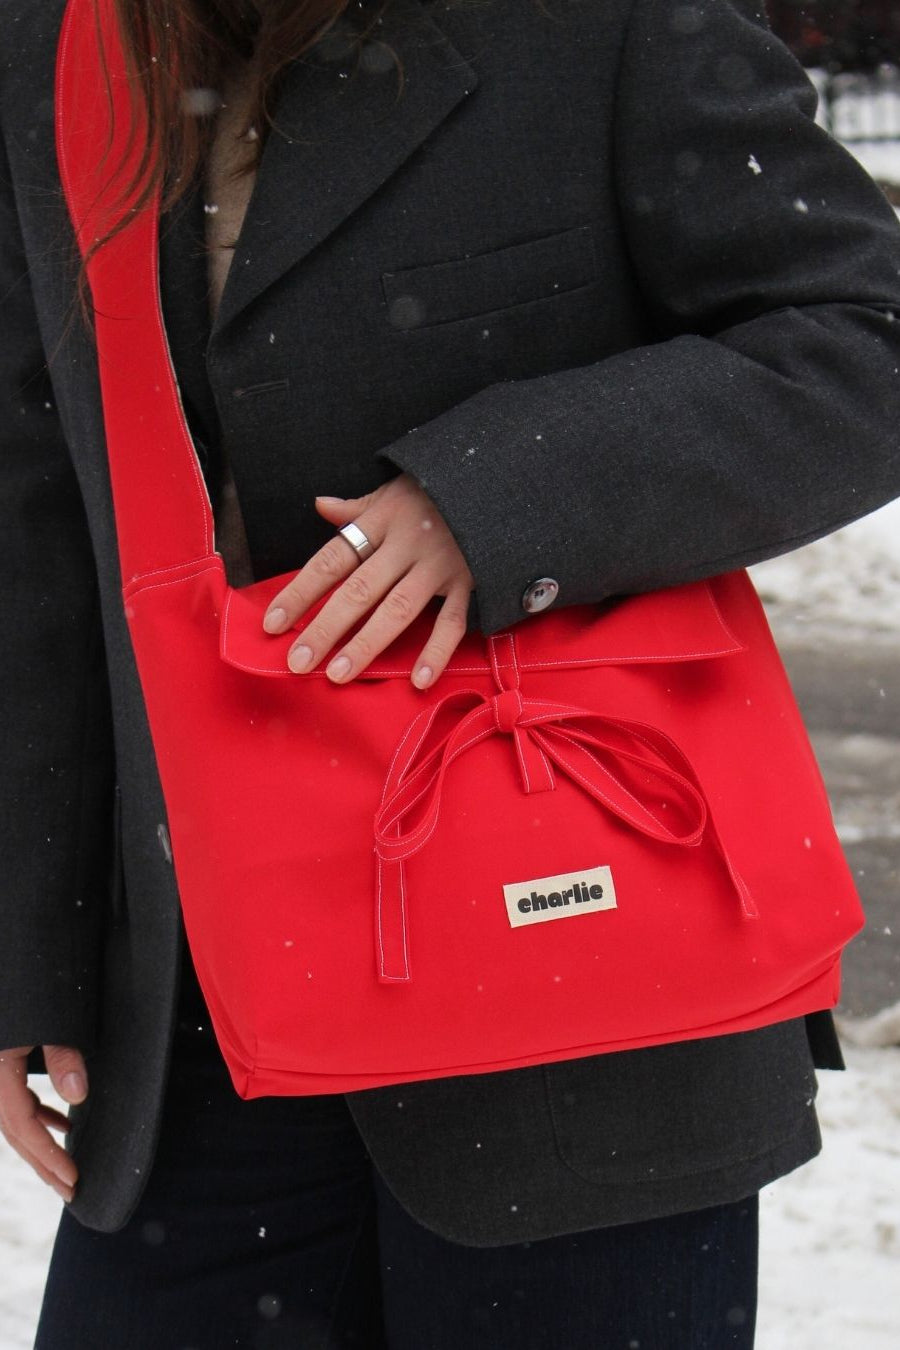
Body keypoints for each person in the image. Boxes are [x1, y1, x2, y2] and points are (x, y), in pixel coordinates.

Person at [2, 0, 900, 1345]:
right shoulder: (57, 39)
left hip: (580, 1034)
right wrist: (29, 946)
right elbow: (38, 509)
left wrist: (493, 499)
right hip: (200, 1033)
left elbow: (863, 336)